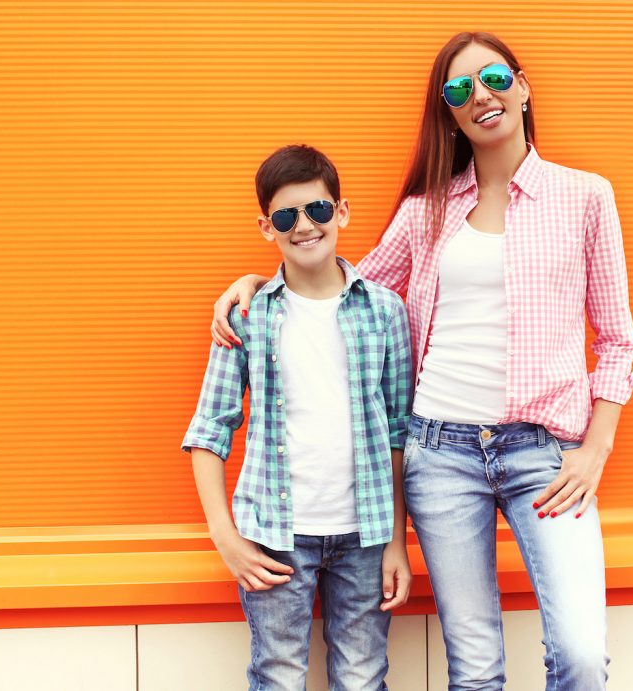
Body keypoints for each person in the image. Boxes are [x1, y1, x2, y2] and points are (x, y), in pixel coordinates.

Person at [210, 32, 633, 691]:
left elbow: (616, 341)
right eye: (460, 90)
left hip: (546, 455)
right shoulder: (427, 211)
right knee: (475, 669)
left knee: (580, 655)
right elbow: (337, 284)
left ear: (523, 87)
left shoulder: (585, 197)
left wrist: (594, 449)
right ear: (449, 112)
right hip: (441, 454)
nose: (481, 97)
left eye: (493, 79)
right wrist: (251, 282)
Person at [182, 144, 413, 690]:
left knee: (363, 678)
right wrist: (226, 536)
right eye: (287, 216)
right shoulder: (248, 314)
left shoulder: (385, 311)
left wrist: (397, 540)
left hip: (365, 535)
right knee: (278, 676)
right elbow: (209, 429)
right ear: (267, 226)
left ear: (343, 212)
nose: (304, 226)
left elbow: (400, 434)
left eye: (318, 210)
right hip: (273, 538)